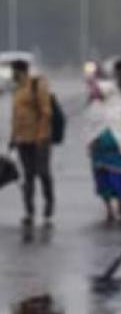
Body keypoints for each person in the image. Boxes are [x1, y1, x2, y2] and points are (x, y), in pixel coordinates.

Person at [84, 81, 121, 222]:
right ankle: (109, 209)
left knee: (119, 180)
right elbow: (89, 128)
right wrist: (90, 143)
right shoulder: (95, 108)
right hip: (100, 153)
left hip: (120, 152)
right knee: (103, 181)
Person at [9, 60, 54, 227]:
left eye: (14, 71)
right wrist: (13, 138)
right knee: (27, 177)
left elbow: (46, 111)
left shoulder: (36, 85)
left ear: (21, 71)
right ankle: (29, 211)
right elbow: (16, 116)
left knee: (43, 174)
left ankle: (48, 207)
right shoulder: (17, 90)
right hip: (22, 140)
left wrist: (41, 135)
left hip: (39, 139)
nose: (12, 75)